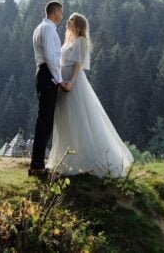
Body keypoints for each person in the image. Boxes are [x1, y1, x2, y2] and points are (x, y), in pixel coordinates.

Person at [47, 12, 133, 177]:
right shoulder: (68, 41)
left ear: (78, 24)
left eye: (71, 19)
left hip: (73, 83)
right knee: (64, 119)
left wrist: (71, 82)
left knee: (78, 119)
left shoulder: (80, 41)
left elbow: (78, 65)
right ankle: (66, 159)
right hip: (62, 81)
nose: (68, 21)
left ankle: (87, 159)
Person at [29, 0, 69, 177]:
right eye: (61, 12)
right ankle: (37, 165)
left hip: (44, 73)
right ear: (54, 12)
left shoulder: (41, 28)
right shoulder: (47, 29)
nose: (62, 16)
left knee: (44, 119)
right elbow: (51, 57)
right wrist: (59, 80)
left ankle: (37, 163)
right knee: (45, 120)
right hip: (47, 74)